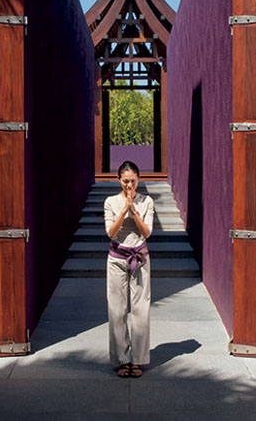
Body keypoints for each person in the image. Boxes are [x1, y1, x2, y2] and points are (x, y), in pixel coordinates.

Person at [104, 159, 154, 378]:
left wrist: (134, 210)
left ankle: (139, 359)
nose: (129, 186)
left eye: (133, 181)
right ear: (119, 180)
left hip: (140, 257)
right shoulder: (110, 202)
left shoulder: (147, 202)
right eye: (125, 181)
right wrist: (125, 208)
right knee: (116, 310)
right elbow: (111, 233)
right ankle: (121, 359)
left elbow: (147, 232)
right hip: (116, 258)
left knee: (141, 309)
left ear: (138, 179)